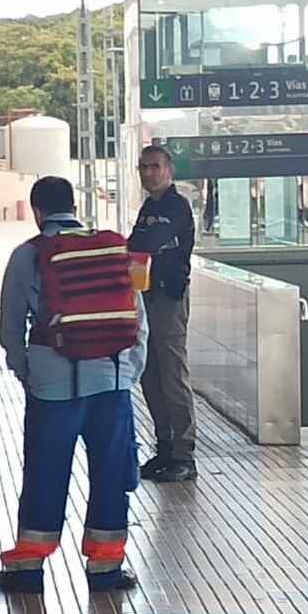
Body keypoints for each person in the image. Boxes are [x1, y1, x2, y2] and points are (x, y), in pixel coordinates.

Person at [0, 177, 146, 595]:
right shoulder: (111, 249)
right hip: (111, 380)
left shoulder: (28, 255)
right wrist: (128, 372)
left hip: (52, 382)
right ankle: (106, 568)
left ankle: (28, 567)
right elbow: (138, 318)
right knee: (111, 471)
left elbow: (11, 325)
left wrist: (24, 368)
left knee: (45, 470)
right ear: (73, 205)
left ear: (37, 210)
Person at [129, 144, 199, 483]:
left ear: (169, 170)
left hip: (169, 299)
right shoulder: (147, 208)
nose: (148, 173)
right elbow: (134, 244)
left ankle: (184, 454)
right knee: (150, 374)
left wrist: (138, 246)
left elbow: (149, 241)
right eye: (143, 167)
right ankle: (165, 446)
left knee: (172, 374)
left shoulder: (177, 206)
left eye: (155, 167)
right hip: (145, 296)